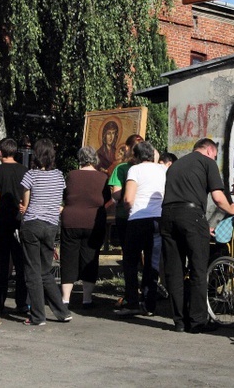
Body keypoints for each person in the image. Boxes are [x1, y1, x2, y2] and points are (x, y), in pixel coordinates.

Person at [160, 138, 234, 333]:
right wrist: (232, 209)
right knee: (199, 268)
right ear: (209, 150)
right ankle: (198, 321)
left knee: (175, 271)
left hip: (167, 216)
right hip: (191, 215)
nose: (214, 158)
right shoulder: (207, 162)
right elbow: (217, 196)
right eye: (215, 155)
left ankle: (179, 322)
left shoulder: (175, 165)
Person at [19, 138, 72, 326]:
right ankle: (62, 312)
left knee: (32, 272)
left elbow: (26, 204)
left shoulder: (30, 175)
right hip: (51, 225)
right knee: (45, 270)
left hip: (32, 224)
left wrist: (23, 207)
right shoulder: (59, 176)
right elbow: (59, 201)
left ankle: (37, 316)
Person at [117, 141, 167, 317]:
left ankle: (132, 301)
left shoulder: (135, 170)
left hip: (138, 218)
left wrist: (127, 209)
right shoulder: (162, 170)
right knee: (152, 264)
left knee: (130, 262)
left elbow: (128, 198)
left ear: (137, 157)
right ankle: (149, 304)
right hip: (158, 219)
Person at [60, 146, 110, 309]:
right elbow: (106, 199)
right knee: (90, 258)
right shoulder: (103, 177)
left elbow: (65, 196)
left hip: (71, 220)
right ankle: (87, 299)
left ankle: (66, 298)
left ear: (80, 158)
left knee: (68, 258)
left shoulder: (71, 175)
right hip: (93, 222)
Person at [0, 138, 29, 314]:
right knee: (21, 265)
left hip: (2, 223)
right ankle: (21, 303)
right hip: (20, 221)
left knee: (1, 265)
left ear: (0, 153)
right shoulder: (25, 171)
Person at [107, 134, 144, 306]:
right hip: (146, 215)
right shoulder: (150, 168)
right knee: (146, 256)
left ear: (128, 149)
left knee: (129, 257)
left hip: (126, 216)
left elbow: (116, 194)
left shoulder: (121, 169)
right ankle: (147, 292)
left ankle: (131, 294)